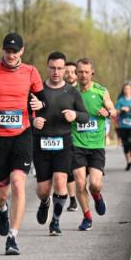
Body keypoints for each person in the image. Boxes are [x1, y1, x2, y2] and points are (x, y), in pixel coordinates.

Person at [0, 32, 45, 256]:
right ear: (3, 50)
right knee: (1, 192)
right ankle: (1, 209)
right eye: (7, 51)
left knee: (18, 183)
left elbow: (44, 100)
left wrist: (38, 103)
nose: (11, 55)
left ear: (22, 51)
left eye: (15, 51)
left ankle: (13, 236)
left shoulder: (31, 72)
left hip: (22, 135)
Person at [32, 52, 89, 236]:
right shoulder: (37, 89)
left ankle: (55, 221)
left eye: (59, 68)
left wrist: (75, 116)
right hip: (41, 143)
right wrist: (34, 121)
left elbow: (85, 116)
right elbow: (26, 112)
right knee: (43, 189)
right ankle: (44, 202)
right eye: (52, 68)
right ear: (47, 68)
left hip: (63, 142)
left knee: (60, 181)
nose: (56, 72)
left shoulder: (72, 92)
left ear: (65, 70)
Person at [70, 59, 117, 231]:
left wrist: (109, 112)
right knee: (80, 182)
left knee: (95, 184)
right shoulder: (71, 92)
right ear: (76, 73)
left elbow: (113, 111)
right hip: (76, 145)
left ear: (92, 73)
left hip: (96, 145)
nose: (83, 75)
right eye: (80, 72)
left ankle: (97, 196)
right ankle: (87, 217)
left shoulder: (101, 91)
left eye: (86, 72)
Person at [64, 60, 80, 212]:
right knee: (69, 171)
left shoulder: (83, 91)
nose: (69, 74)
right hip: (67, 136)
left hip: (84, 139)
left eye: (72, 72)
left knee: (81, 173)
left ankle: (83, 193)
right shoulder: (60, 90)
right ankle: (73, 199)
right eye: (66, 71)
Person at [115, 83, 131, 170]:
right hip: (123, 125)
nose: (126, 90)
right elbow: (115, 111)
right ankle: (128, 162)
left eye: (128, 89)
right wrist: (121, 109)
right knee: (125, 145)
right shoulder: (120, 101)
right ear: (123, 90)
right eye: (125, 89)